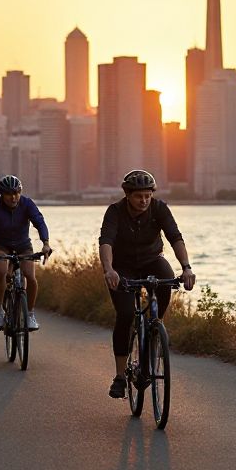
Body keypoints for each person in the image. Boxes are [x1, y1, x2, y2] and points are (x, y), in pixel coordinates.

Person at [98, 170, 196, 399]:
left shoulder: (159, 209)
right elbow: (106, 241)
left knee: (166, 278)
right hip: (122, 267)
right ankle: (121, 376)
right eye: (138, 196)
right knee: (125, 315)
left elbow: (175, 237)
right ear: (128, 195)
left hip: (152, 260)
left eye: (147, 196)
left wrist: (187, 267)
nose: (143, 200)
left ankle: (155, 328)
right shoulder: (115, 212)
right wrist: (109, 270)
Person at [0, 175, 52, 331]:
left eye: (17, 192)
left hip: (23, 245)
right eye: (9, 194)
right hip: (1, 245)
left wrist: (45, 243)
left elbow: (39, 222)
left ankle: (30, 314)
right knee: (2, 271)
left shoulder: (27, 204)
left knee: (30, 276)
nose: (14, 197)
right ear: (1, 194)